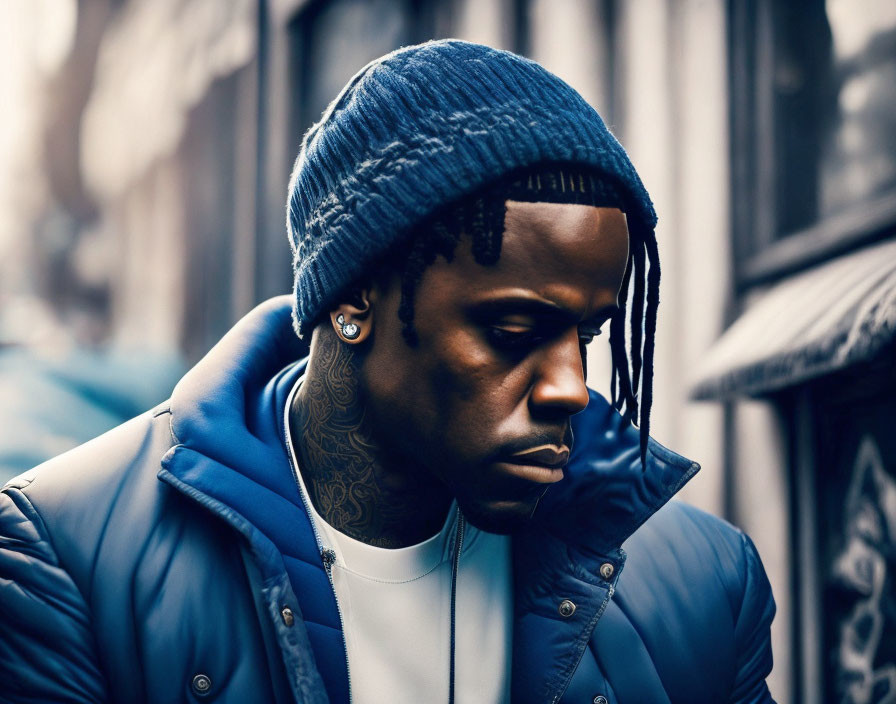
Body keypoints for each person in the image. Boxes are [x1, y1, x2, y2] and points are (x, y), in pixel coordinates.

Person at [0, 40, 776, 703]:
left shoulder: (705, 585)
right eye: (512, 330)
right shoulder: (68, 554)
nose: (571, 386)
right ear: (352, 303)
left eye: (589, 334)